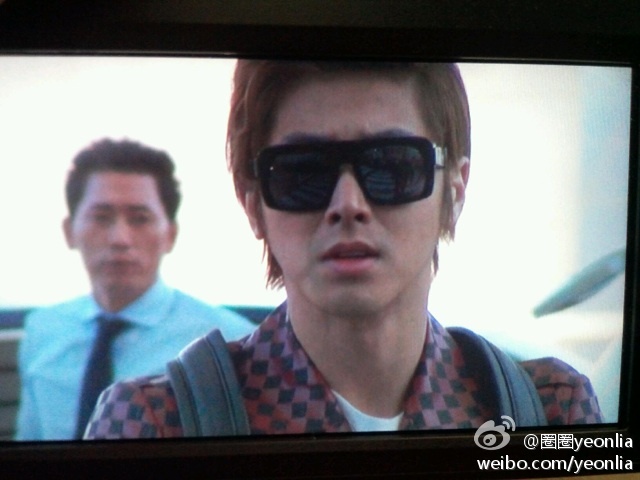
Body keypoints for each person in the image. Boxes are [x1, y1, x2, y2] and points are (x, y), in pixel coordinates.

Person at [84, 61, 602, 439]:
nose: (348, 204)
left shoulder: (552, 412)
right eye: (304, 172)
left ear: (455, 189)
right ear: (252, 202)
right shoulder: (155, 422)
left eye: (392, 166)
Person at [16, 138, 256, 440]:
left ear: (170, 235)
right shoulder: (43, 330)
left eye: (140, 219)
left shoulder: (226, 340)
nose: (120, 238)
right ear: (69, 231)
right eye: (101, 217)